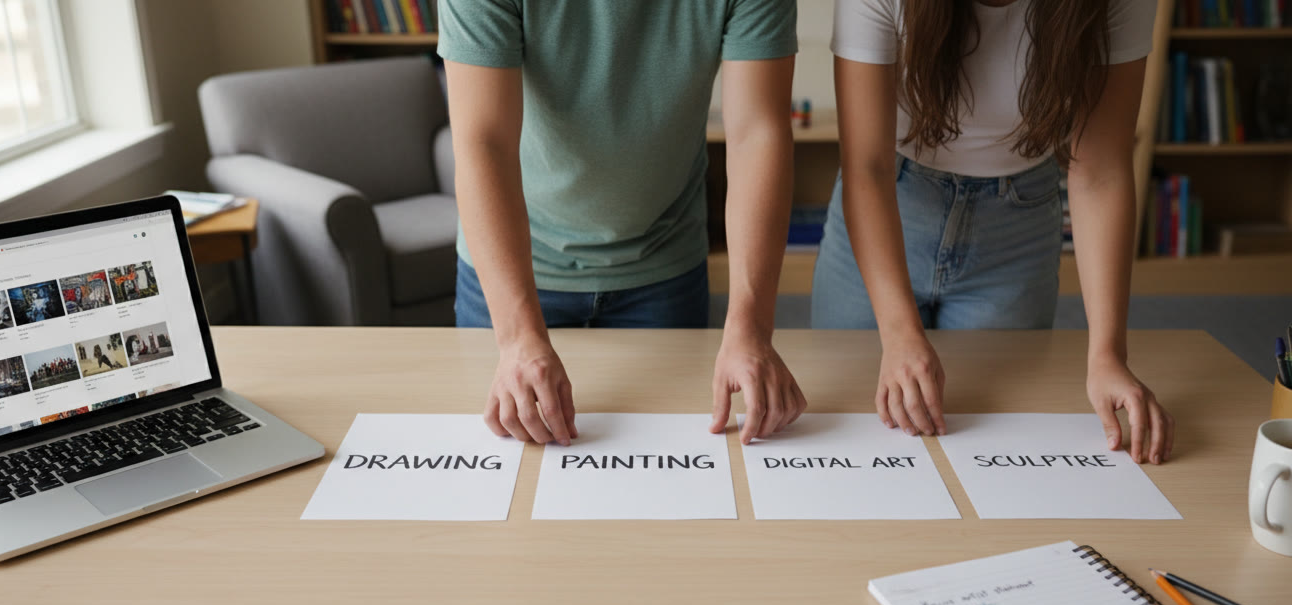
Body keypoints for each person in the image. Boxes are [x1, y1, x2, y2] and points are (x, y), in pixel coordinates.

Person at [814, 0, 1174, 464]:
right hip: (890, 204)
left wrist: (1108, 354)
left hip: (1016, 227)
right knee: (855, 434)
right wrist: (900, 333)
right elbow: (867, 167)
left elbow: (1100, 170)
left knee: (989, 438)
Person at [439, 0, 807, 447]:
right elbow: (484, 144)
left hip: (663, 264)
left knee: (670, 469)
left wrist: (751, 326)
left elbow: (758, 134)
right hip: (513, 272)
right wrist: (518, 338)